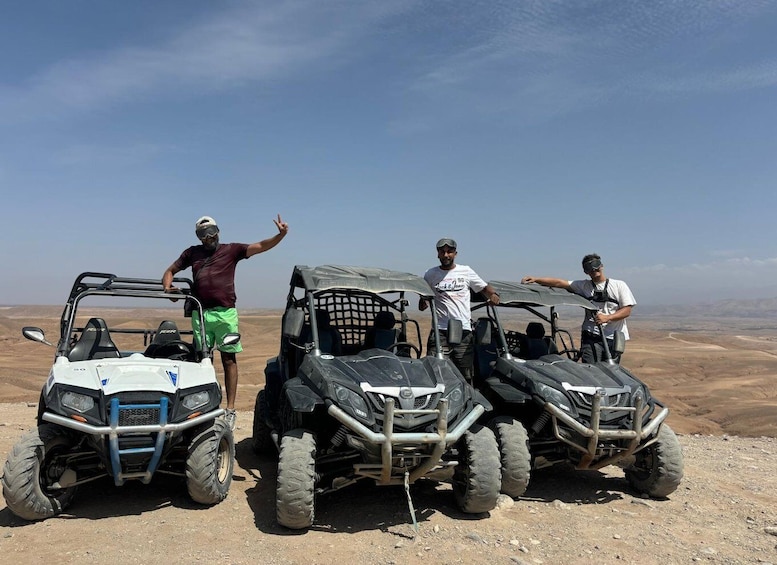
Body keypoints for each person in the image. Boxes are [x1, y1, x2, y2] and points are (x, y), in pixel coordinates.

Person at [162, 214, 289, 430]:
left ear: (218, 231)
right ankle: (205, 407)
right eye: (203, 233)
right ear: (198, 236)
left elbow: (260, 246)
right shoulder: (191, 253)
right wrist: (168, 289)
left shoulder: (232, 250)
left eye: (212, 231)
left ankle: (230, 410)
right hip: (201, 313)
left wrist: (281, 235)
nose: (209, 236)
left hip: (225, 314)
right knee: (202, 361)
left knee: (229, 359)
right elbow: (170, 271)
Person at [521, 253, 635, 364]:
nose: (594, 269)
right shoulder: (583, 286)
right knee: (590, 369)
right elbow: (559, 282)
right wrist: (536, 280)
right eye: (589, 268)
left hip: (612, 338)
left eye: (596, 265)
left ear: (602, 266)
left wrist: (608, 318)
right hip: (591, 337)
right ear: (586, 271)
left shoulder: (619, 285)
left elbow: (627, 310)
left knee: (611, 371)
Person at [420, 238, 500, 382]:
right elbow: (424, 298)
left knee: (465, 374)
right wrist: (423, 301)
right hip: (440, 332)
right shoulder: (430, 274)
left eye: (449, 252)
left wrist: (493, 295)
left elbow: (483, 287)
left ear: (455, 253)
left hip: (463, 332)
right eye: (442, 252)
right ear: (437, 254)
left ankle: (466, 401)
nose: (446, 255)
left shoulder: (466, 271)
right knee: (434, 371)